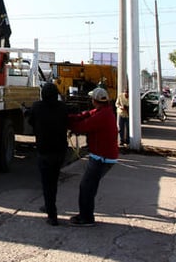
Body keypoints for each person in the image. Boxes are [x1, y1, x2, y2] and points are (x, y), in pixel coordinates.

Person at [67, 87, 119, 227]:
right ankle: (85, 215)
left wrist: (68, 123)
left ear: (95, 100)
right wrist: (70, 117)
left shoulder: (102, 116)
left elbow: (83, 126)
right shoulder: (103, 111)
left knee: (87, 188)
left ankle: (86, 218)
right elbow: (85, 115)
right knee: (88, 187)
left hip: (101, 158)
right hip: (102, 156)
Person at [25, 82, 69, 225]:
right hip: (60, 152)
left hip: (44, 152)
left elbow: (31, 121)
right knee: (53, 183)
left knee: (46, 184)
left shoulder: (37, 107)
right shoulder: (62, 107)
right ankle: (49, 207)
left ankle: (52, 215)